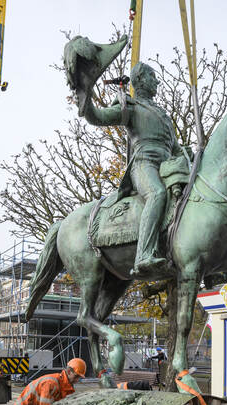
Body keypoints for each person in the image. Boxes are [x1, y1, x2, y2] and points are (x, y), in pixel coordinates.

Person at [81, 62, 181, 277]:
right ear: (141, 80)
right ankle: (144, 255)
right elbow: (97, 117)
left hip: (167, 166)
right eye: (153, 76)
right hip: (144, 164)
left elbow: (176, 148)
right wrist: (85, 92)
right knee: (157, 194)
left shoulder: (162, 115)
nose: (157, 81)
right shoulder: (131, 106)